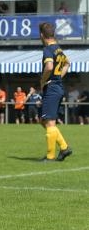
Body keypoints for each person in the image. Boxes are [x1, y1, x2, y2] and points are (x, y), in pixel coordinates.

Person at [38, 22, 72, 162]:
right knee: (43, 120)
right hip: (57, 87)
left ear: (42, 35)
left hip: (51, 88)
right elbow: (67, 63)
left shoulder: (48, 49)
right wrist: (58, 77)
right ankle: (64, 148)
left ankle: (50, 156)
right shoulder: (59, 49)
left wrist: (43, 80)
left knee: (49, 122)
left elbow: (49, 66)